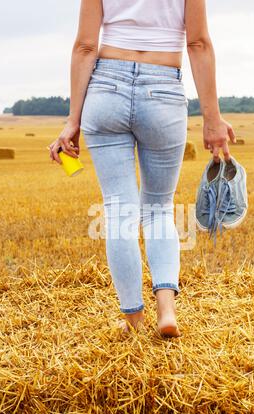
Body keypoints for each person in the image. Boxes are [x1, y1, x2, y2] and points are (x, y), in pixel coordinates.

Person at [49, 0, 236, 337]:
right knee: (159, 209)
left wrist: (72, 120)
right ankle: (167, 311)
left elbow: (85, 46)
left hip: (105, 88)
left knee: (119, 211)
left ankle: (134, 319)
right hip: (162, 89)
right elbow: (198, 43)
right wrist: (212, 120)